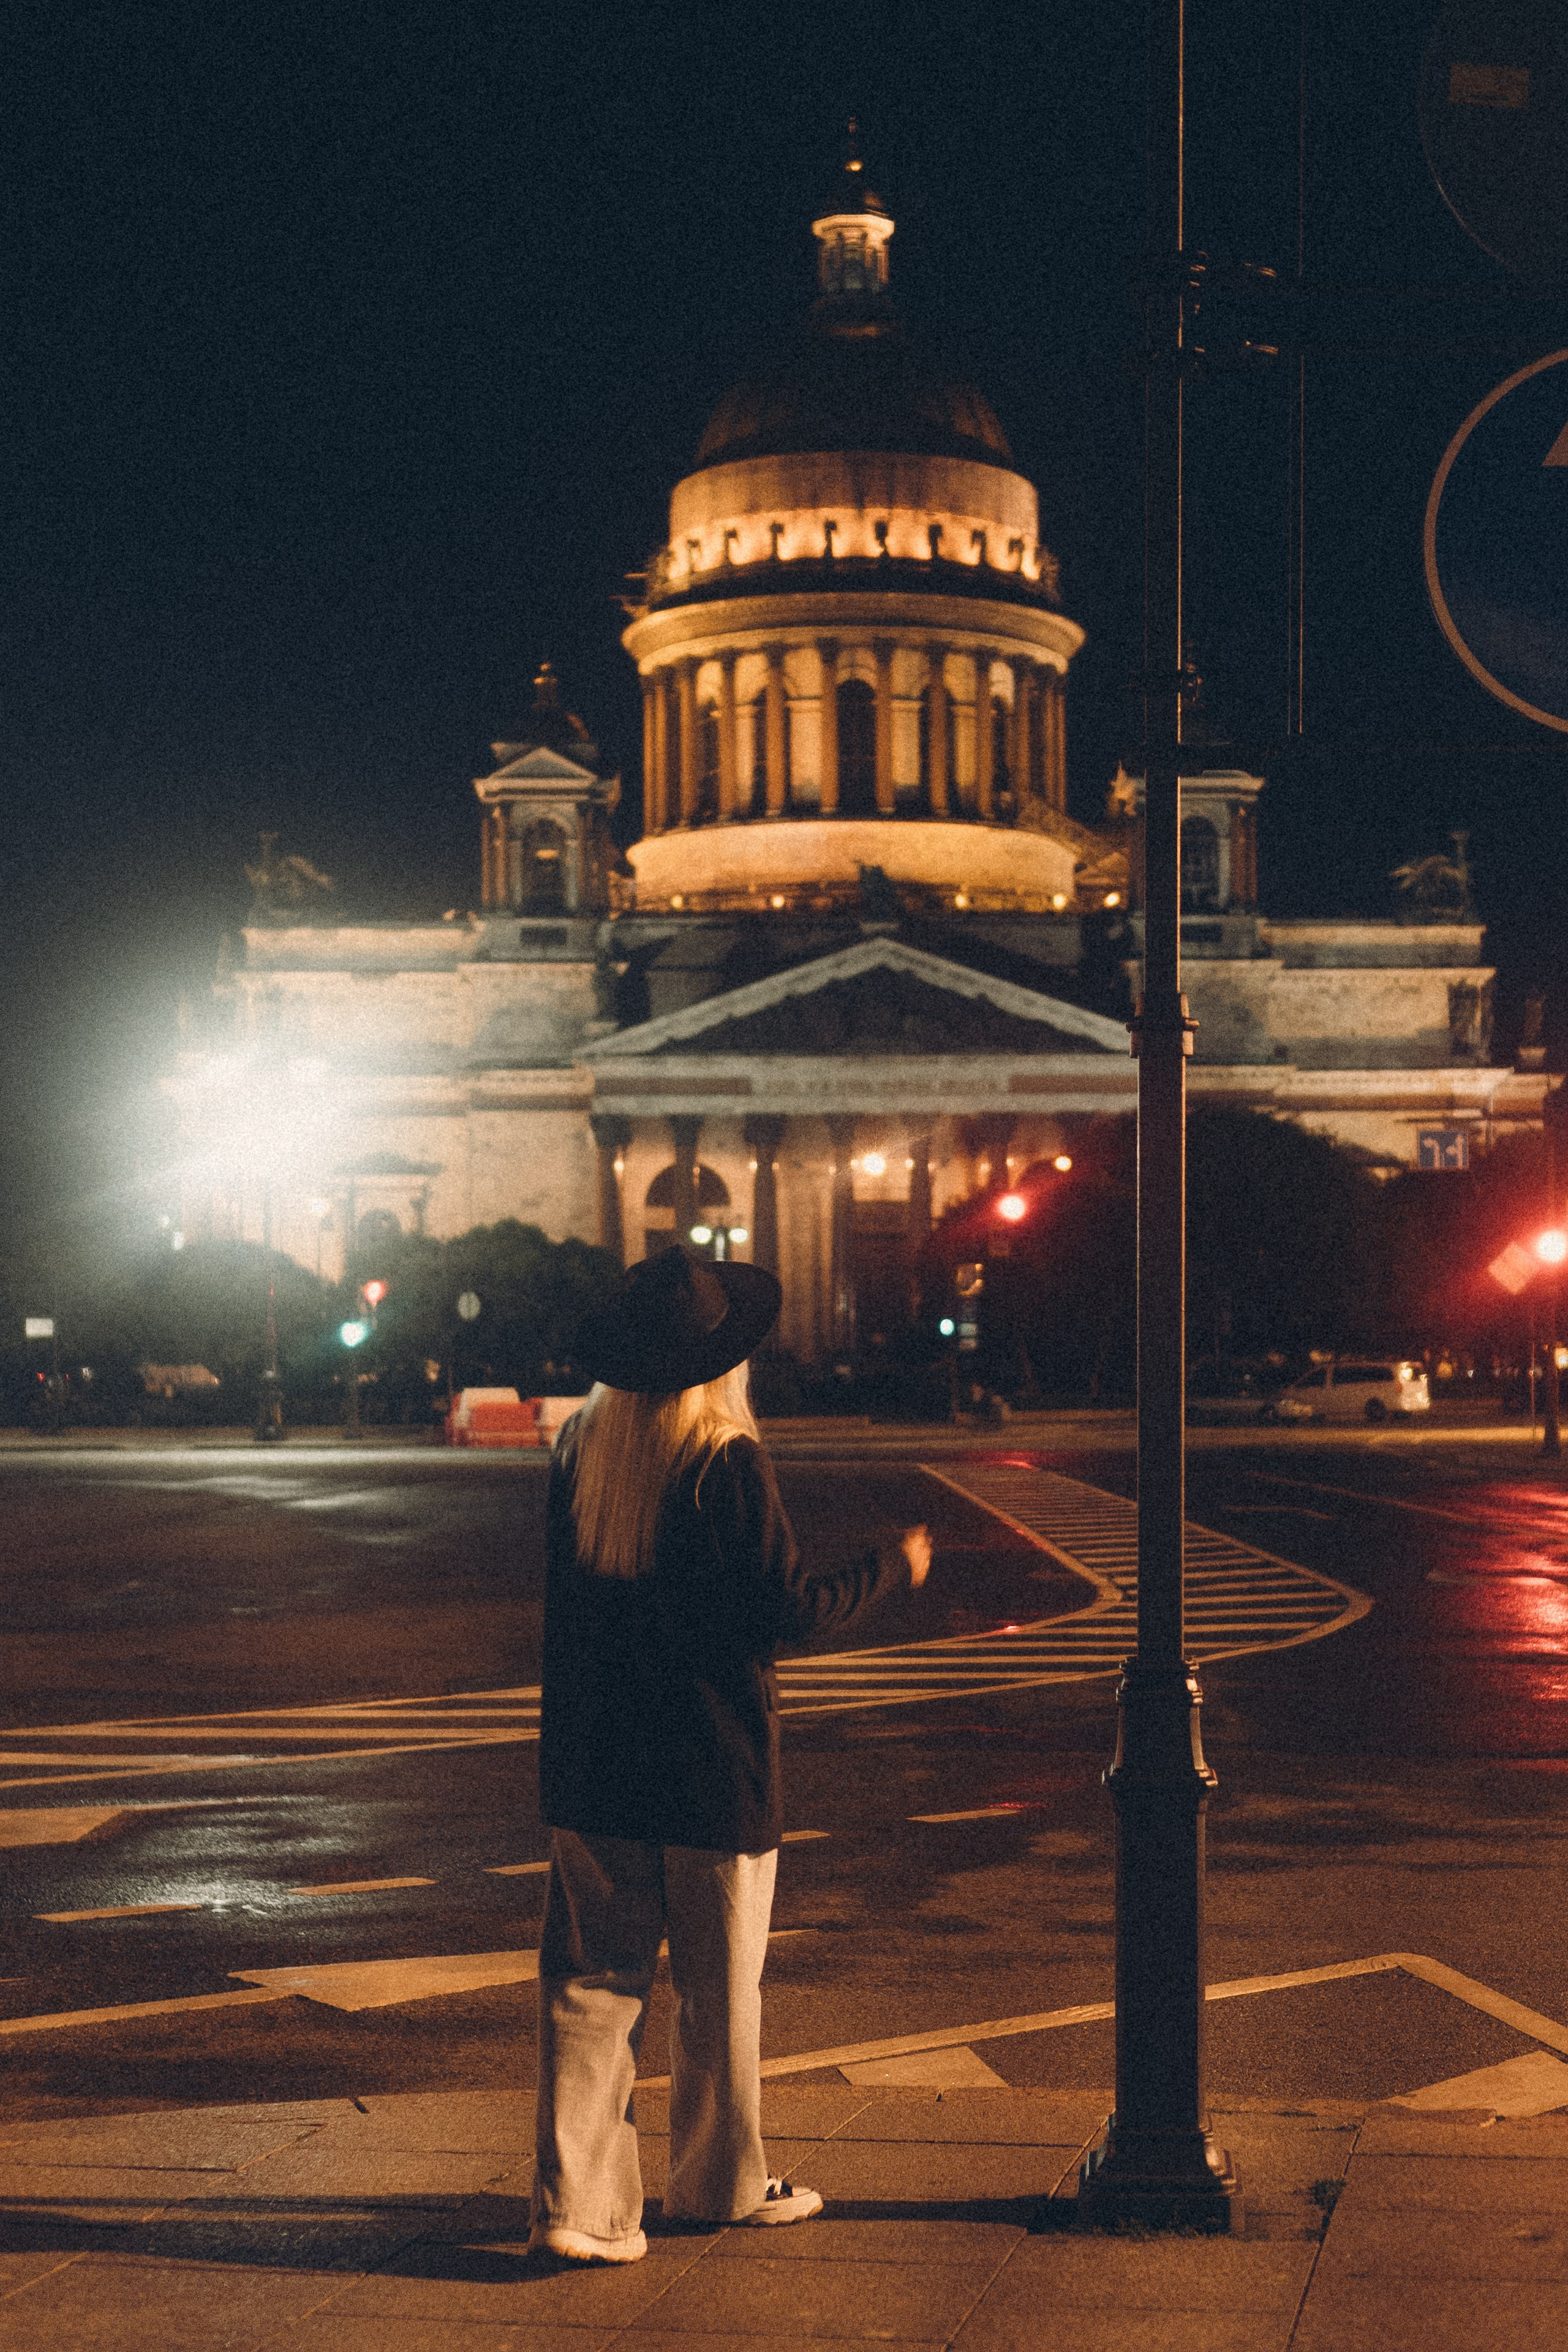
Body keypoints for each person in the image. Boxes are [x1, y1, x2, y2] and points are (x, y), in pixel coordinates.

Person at [528, 1244, 932, 2265]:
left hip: (595, 1766)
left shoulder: (579, 1450)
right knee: (718, 1994)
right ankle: (719, 2185)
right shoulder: (724, 1461)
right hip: (711, 1768)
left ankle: (577, 2208)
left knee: (591, 1988)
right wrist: (893, 1567)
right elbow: (784, 1613)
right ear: (722, 1364)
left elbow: (567, 1619)